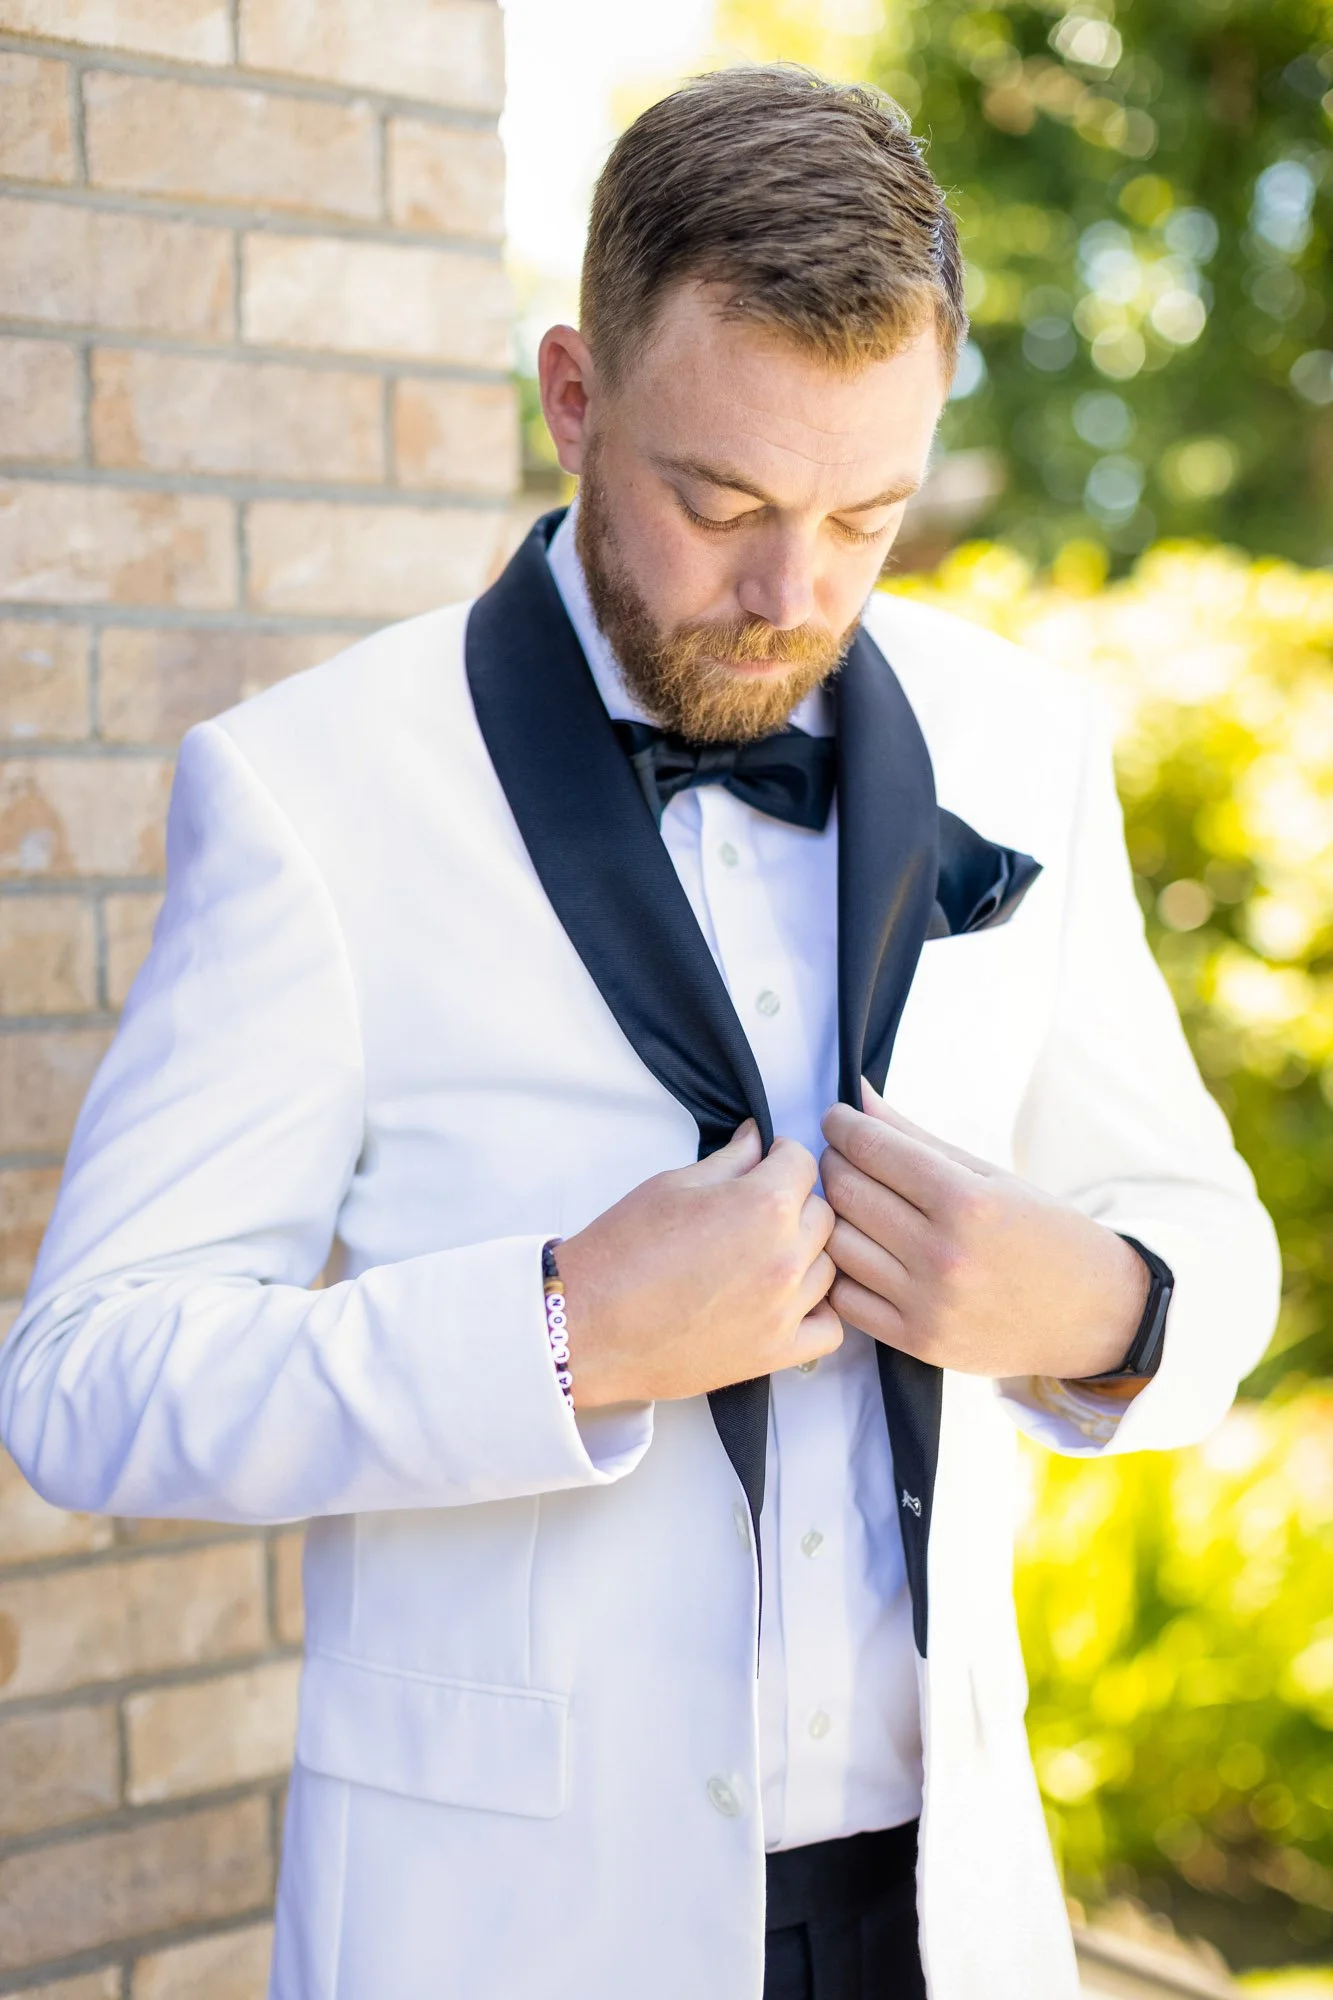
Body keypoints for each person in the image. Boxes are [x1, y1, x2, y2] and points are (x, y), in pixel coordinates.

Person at [0, 65, 1278, 2000]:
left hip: (946, 1919)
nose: (795, 593)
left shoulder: (1023, 740)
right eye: (722, 501)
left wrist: (1099, 1304)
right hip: (513, 1935)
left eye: (866, 515)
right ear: (575, 398)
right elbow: (86, 1381)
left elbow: (1213, 1242)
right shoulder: (308, 794)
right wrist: (558, 1334)